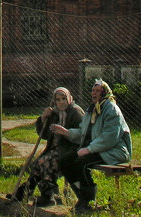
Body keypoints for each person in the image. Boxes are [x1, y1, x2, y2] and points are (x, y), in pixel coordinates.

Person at [52, 79, 132, 212]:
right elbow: (83, 133)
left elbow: (109, 137)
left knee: (81, 163)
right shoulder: (92, 110)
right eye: (93, 90)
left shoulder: (111, 109)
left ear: (105, 92)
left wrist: (88, 149)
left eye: (98, 91)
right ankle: (82, 198)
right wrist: (67, 132)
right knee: (64, 162)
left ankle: (88, 201)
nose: (94, 93)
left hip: (113, 150)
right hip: (95, 148)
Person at [10, 86, 85, 206]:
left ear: (69, 98)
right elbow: (44, 134)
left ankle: (47, 196)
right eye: (58, 99)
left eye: (63, 99)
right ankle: (24, 192)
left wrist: (66, 132)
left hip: (70, 150)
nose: (61, 102)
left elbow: (83, 135)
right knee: (37, 164)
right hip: (54, 149)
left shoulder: (75, 112)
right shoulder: (54, 113)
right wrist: (43, 118)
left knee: (47, 162)